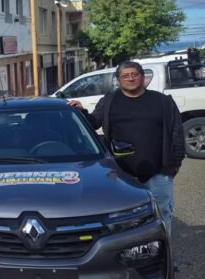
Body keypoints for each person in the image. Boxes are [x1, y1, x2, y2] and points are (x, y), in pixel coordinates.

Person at [68, 60, 184, 235]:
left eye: (135, 74)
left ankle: (164, 257)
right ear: (119, 80)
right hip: (121, 173)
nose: (130, 78)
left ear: (143, 77)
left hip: (159, 171)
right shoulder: (109, 102)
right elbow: (93, 123)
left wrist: (174, 164)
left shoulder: (162, 101)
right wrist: (80, 111)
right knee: (124, 218)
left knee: (162, 213)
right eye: (125, 76)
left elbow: (177, 133)